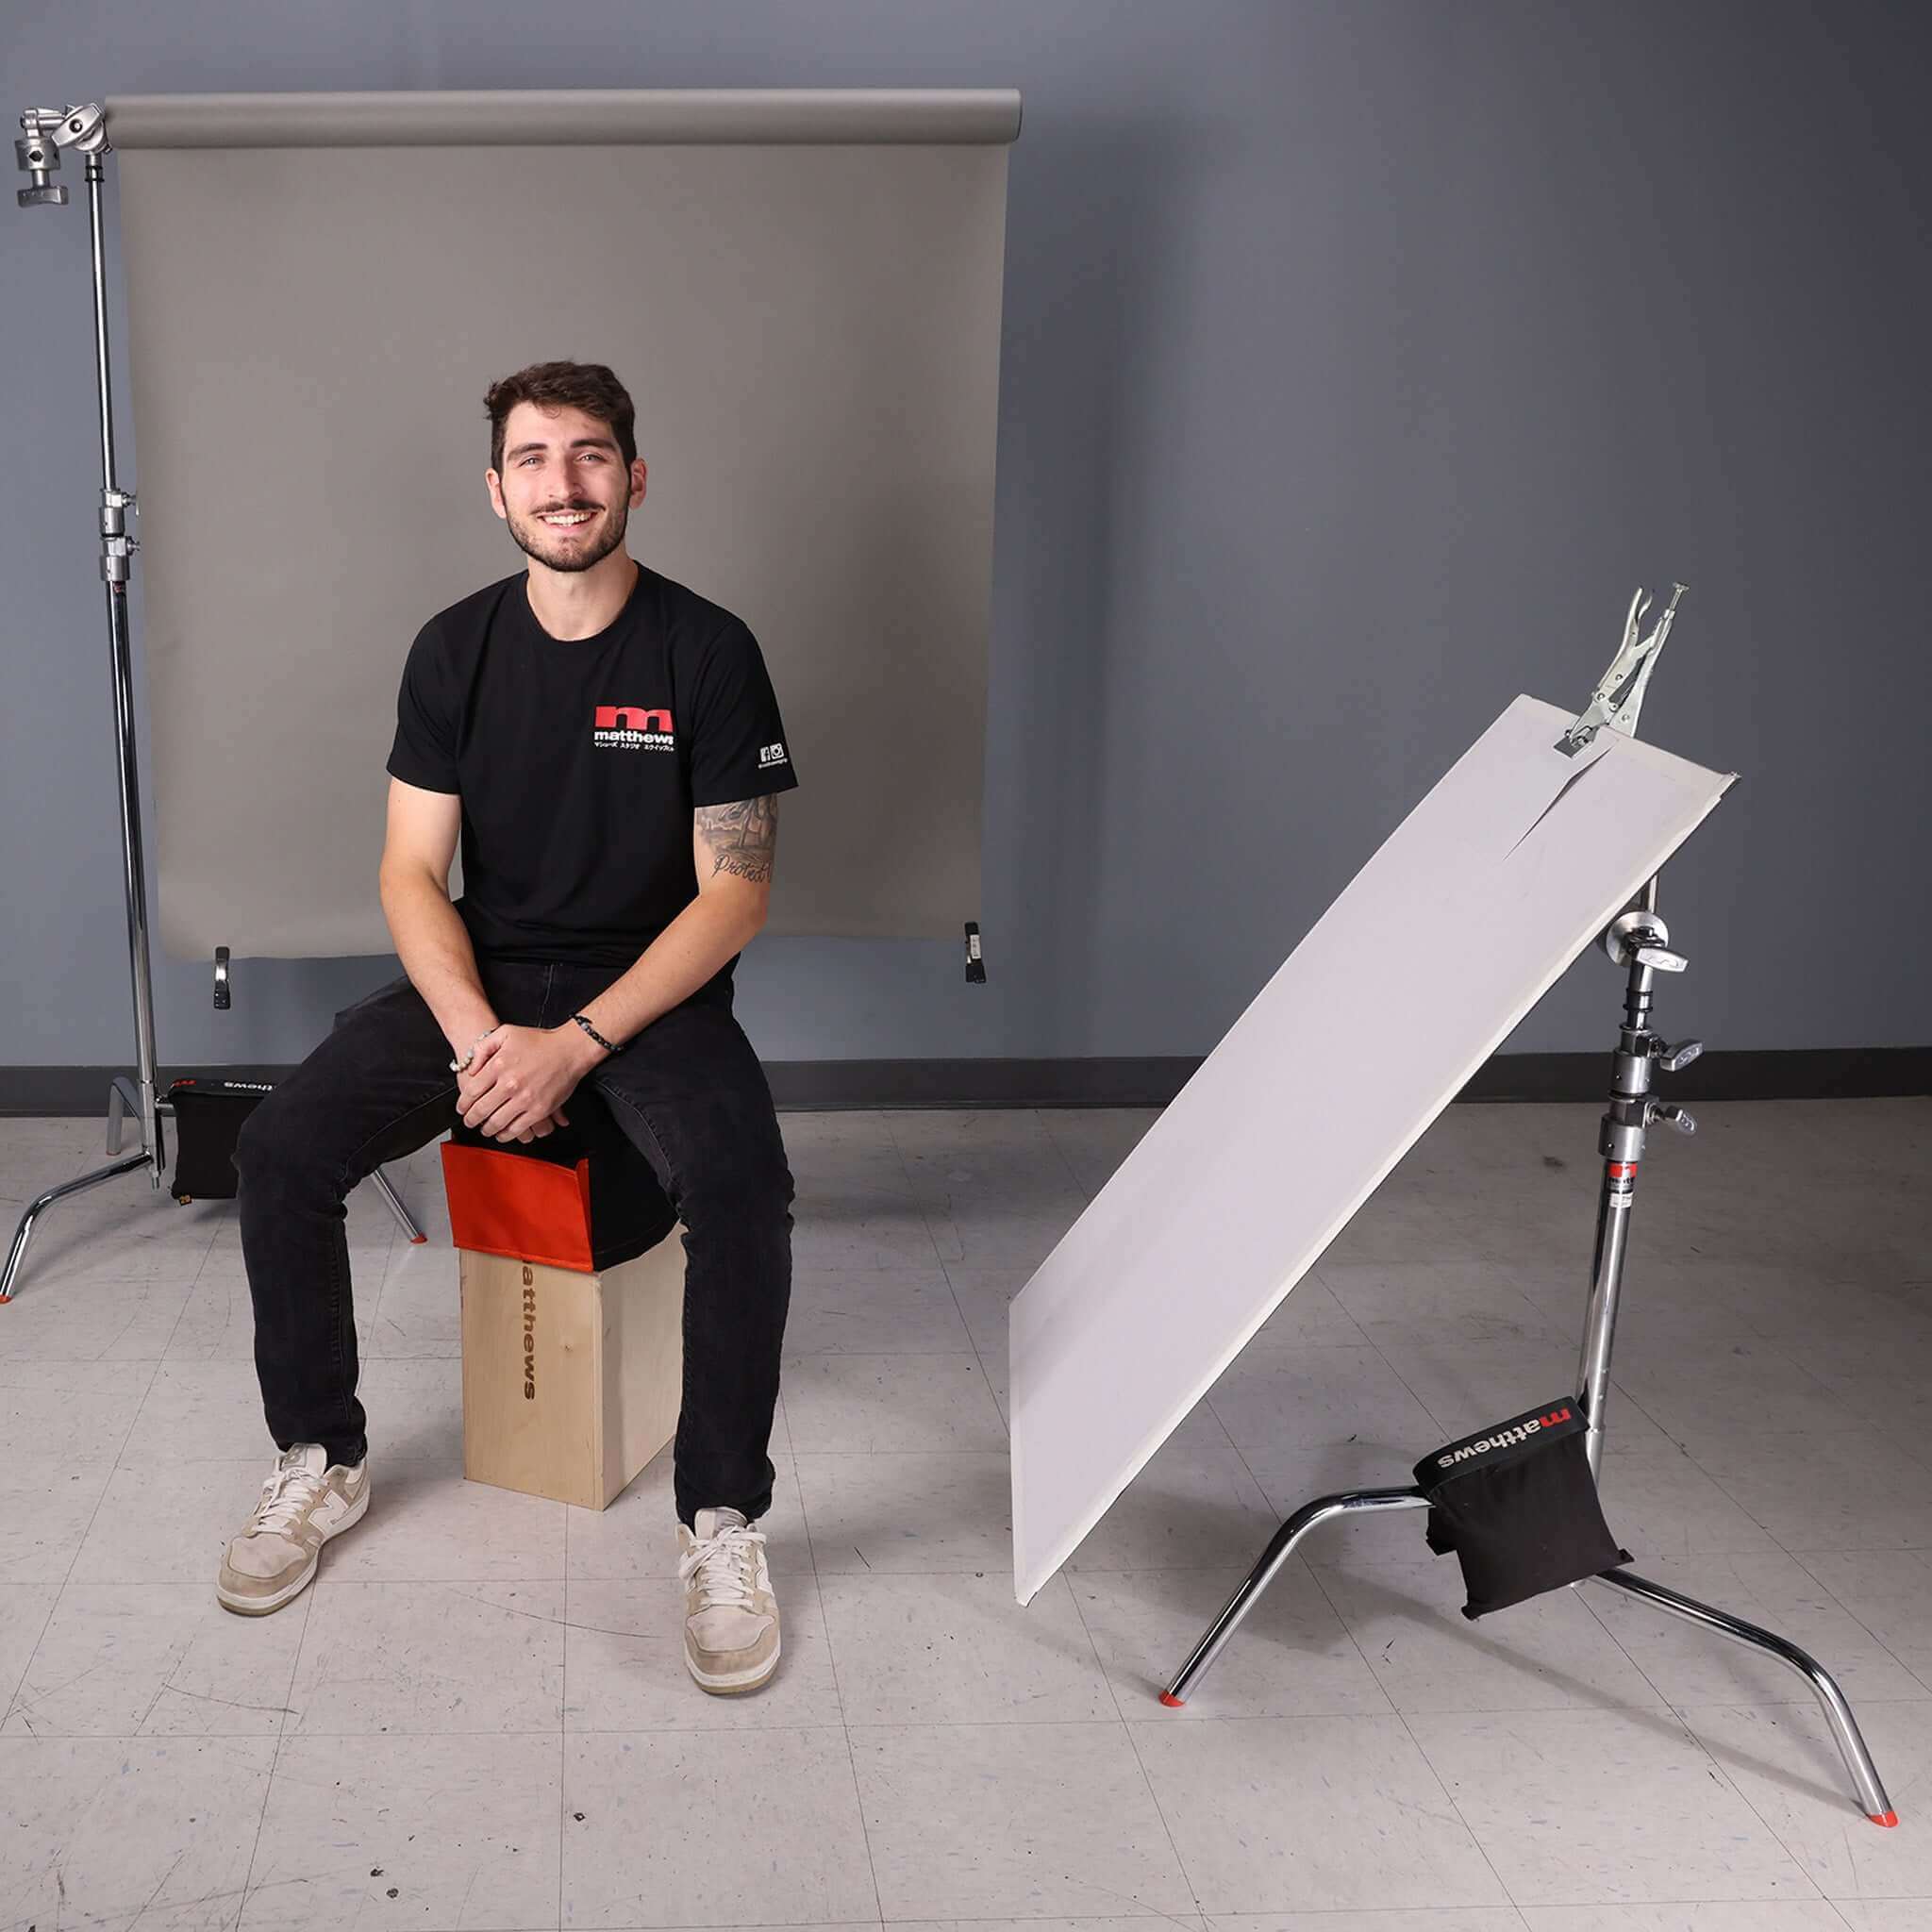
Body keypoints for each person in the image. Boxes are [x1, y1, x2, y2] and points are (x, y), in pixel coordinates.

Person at [218, 360, 799, 1696]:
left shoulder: (707, 650)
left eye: (591, 455)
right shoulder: (455, 647)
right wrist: (486, 1038)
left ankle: (721, 1520)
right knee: (283, 1151)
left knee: (743, 1187)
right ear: (498, 490)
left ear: (635, 478)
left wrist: (575, 1046)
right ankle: (321, 1458)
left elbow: (737, 893)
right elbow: (410, 873)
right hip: (486, 980)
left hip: (649, 993)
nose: (564, 483)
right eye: (534, 459)